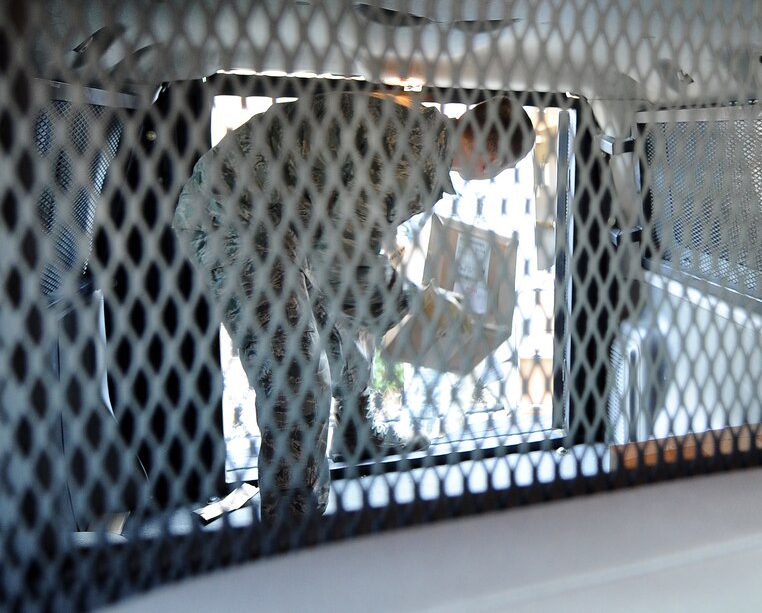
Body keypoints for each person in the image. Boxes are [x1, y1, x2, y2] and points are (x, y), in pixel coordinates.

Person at [172, 91, 536, 520]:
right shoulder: (412, 159)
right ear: (490, 159)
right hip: (234, 214)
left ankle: (353, 433)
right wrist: (420, 306)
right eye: (506, 168)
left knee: (348, 328)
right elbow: (344, 264)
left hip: (288, 220)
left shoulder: (421, 139)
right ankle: (292, 520)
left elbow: (351, 243)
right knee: (298, 372)